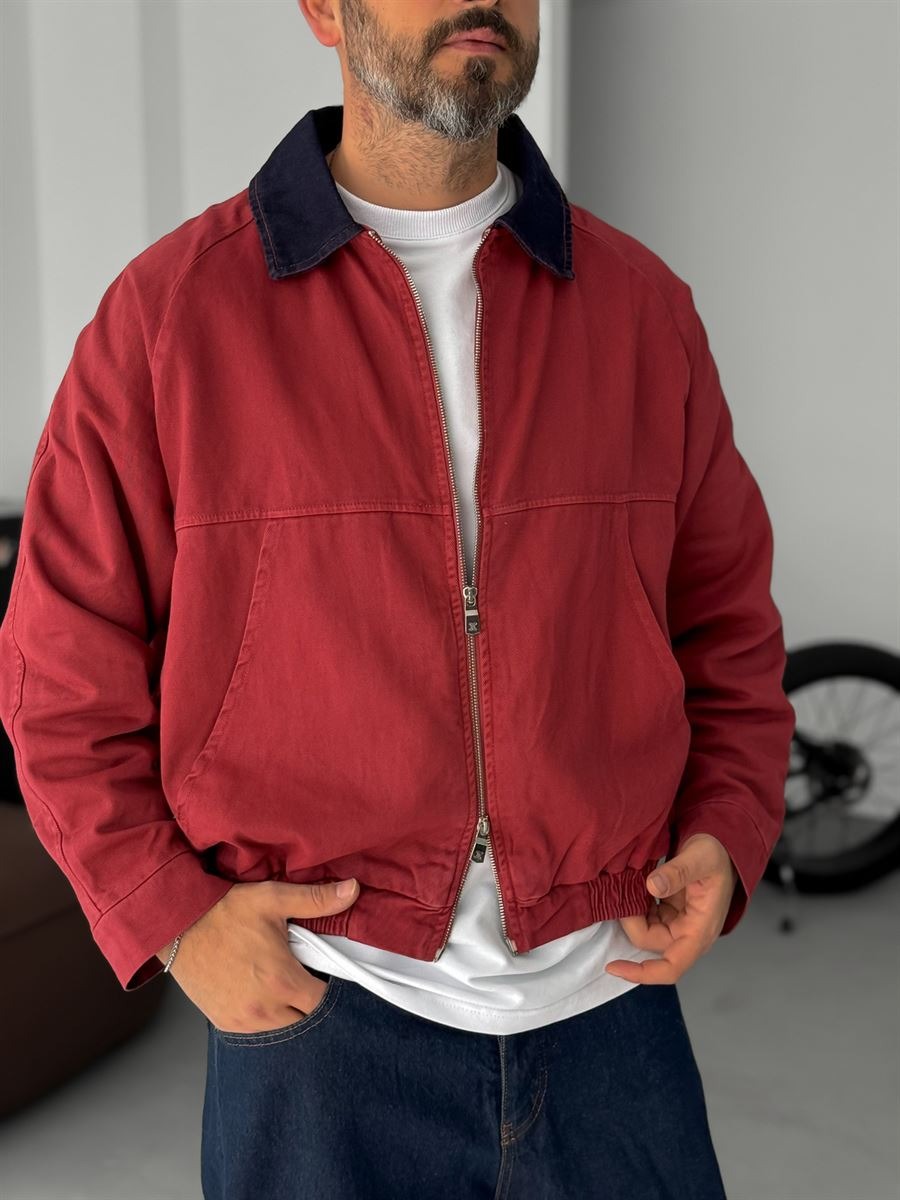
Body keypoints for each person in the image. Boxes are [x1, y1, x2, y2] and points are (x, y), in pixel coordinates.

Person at [0, 0, 796, 1196]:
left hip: (611, 1007)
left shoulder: (643, 311)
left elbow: (728, 625)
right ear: (325, 9)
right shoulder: (173, 319)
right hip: (324, 1023)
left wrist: (727, 830)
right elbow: (57, 669)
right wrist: (170, 917)